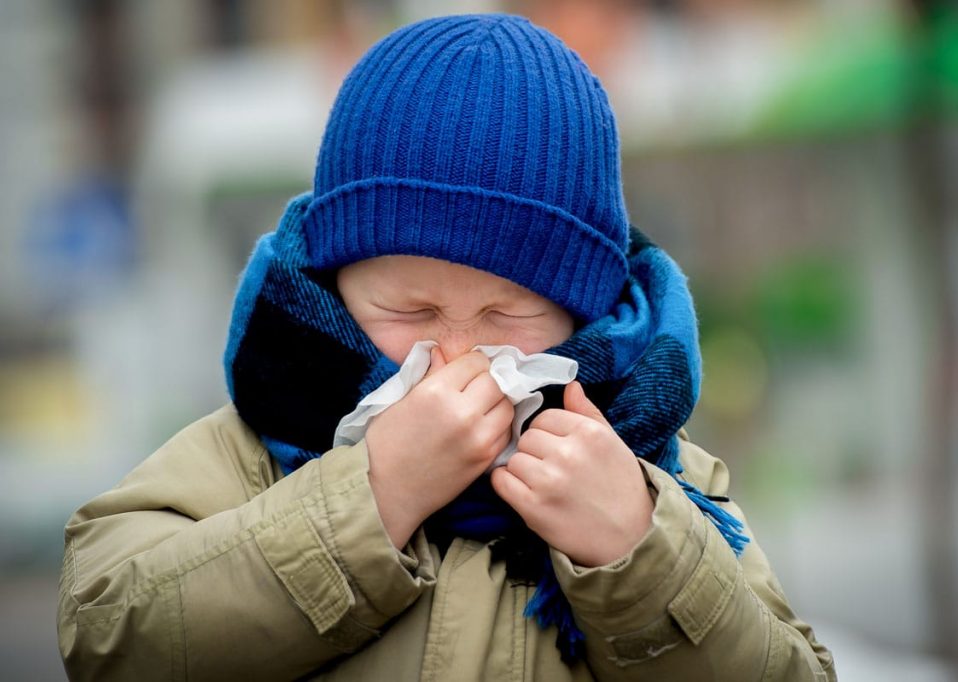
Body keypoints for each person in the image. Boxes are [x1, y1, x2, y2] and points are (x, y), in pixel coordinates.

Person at [58, 13, 836, 681]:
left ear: (581, 315)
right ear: (335, 288)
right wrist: (372, 496)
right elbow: (107, 633)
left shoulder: (655, 470)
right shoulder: (257, 447)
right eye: (412, 307)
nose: (460, 354)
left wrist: (638, 551)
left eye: (508, 314)